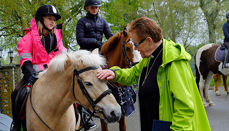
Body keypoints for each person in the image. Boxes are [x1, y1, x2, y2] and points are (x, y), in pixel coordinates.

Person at [97, 17, 211, 131]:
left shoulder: (174, 61)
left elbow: (185, 106)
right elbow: (134, 73)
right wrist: (115, 72)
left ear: (149, 40)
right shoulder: (149, 56)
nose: (135, 49)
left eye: (136, 44)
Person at [10, 5, 67, 131]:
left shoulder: (58, 37)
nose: (53, 21)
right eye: (49, 18)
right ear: (40, 20)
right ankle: (17, 124)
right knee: (15, 94)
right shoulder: (27, 39)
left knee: (75, 88)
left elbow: (64, 57)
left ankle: (83, 116)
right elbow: (25, 61)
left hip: (55, 76)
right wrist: (31, 76)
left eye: (54, 19)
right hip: (34, 76)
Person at [75, 0, 113, 129]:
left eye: (97, 7)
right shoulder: (81, 22)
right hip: (86, 54)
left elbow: (110, 37)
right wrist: (97, 42)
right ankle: (83, 114)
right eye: (92, 7)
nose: (95, 9)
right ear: (87, 8)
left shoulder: (103, 21)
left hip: (100, 53)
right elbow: (80, 39)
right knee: (81, 81)